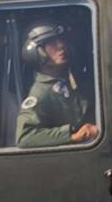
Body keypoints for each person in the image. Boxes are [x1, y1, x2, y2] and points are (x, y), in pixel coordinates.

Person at [7, 16, 101, 147]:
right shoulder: (40, 92)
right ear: (36, 51)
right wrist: (72, 135)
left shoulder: (78, 81)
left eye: (61, 39)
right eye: (52, 42)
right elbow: (25, 137)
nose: (61, 45)